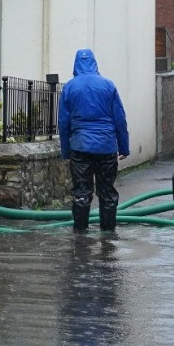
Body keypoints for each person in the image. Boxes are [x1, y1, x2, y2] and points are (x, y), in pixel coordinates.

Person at [58, 48, 131, 232]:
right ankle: (107, 234)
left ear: (76, 63)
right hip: (106, 147)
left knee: (82, 193)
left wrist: (66, 151)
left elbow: (63, 123)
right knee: (107, 192)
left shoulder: (70, 87)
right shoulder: (108, 85)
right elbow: (120, 119)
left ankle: (80, 235)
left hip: (80, 146)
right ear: (94, 62)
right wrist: (124, 147)